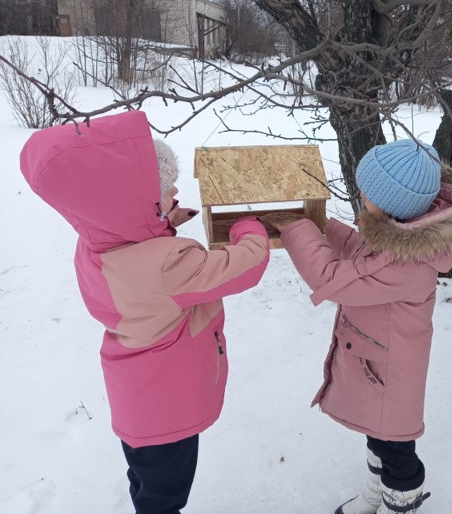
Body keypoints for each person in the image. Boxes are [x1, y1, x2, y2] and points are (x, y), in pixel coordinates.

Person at [19, 111, 270, 514]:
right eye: (165, 190)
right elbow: (245, 266)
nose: (174, 188)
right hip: (171, 410)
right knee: (164, 499)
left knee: (146, 483)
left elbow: (135, 249)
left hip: (137, 404)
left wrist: (162, 220)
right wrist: (248, 226)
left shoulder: (96, 248)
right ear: (140, 203)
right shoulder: (170, 264)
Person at [267, 139, 452, 514]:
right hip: (376, 362)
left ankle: (401, 503)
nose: (360, 194)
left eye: (366, 190)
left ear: (391, 203)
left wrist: (297, 229)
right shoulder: (404, 232)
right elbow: (359, 251)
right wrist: (322, 226)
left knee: (395, 447)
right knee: (379, 435)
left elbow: (332, 278)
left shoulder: (407, 261)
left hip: (388, 373)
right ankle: (375, 494)